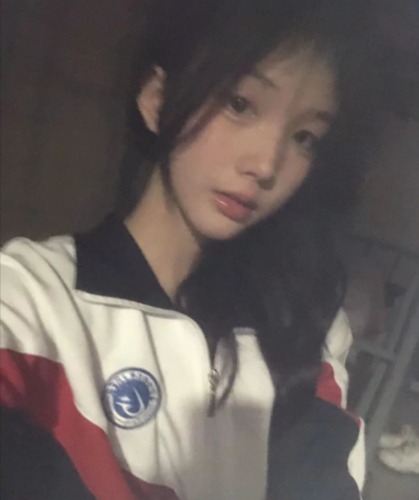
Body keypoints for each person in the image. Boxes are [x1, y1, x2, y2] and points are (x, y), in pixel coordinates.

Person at [0, 1, 379, 499]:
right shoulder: (33, 301)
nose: (267, 164)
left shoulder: (307, 324)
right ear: (157, 98)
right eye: (240, 104)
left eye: (305, 136)